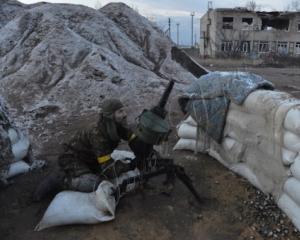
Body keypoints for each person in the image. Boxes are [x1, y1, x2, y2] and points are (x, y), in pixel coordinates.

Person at [33, 98, 150, 202]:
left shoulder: (116, 127)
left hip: (90, 158)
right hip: (72, 158)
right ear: (110, 116)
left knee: (105, 176)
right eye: (120, 111)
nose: (125, 114)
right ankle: (57, 182)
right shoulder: (98, 134)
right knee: (92, 183)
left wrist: (141, 149)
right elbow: (109, 169)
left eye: (123, 110)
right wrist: (130, 165)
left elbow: (133, 139)